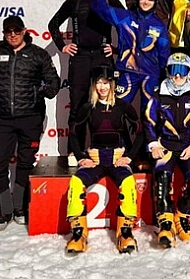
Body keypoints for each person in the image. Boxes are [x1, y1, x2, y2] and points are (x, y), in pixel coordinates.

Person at [0, 15, 60, 231]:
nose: (13, 35)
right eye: (8, 31)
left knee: (25, 164)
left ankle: (20, 208)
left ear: (25, 31)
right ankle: (2, 212)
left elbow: (53, 84)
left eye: (17, 31)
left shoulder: (38, 54)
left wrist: (39, 90)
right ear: (3, 33)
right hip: (3, 119)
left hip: (31, 118)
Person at [65, 66, 143, 254]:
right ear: (94, 85)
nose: (102, 87)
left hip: (117, 160)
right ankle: (78, 234)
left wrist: (129, 157)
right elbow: (73, 134)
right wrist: (81, 158)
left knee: (128, 182)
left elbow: (141, 133)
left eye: (106, 83)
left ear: (112, 84)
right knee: (76, 182)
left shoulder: (123, 106)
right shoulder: (88, 107)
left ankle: (125, 233)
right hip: (95, 160)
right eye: (98, 83)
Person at [47, 0, 120, 131]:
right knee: (77, 107)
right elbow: (53, 24)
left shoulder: (110, 1)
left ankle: (103, 144)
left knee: (105, 106)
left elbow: (126, 26)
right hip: (80, 58)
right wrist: (62, 46)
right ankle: (75, 147)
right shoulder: (75, 1)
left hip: (102, 57)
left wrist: (117, 49)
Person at [144, 53, 190, 248]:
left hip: (187, 146)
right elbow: (149, 122)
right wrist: (153, 145)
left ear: (188, 73)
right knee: (162, 175)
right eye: (174, 70)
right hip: (165, 145)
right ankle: (166, 222)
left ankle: (182, 216)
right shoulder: (158, 95)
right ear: (168, 71)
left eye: (182, 71)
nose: (178, 76)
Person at [93, 0, 170, 114]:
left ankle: (148, 130)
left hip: (150, 75)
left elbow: (164, 53)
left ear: (155, 2)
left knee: (150, 114)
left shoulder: (159, 26)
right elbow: (99, 8)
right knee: (116, 110)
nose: (146, 2)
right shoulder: (125, 17)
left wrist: (164, 76)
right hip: (127, 72)